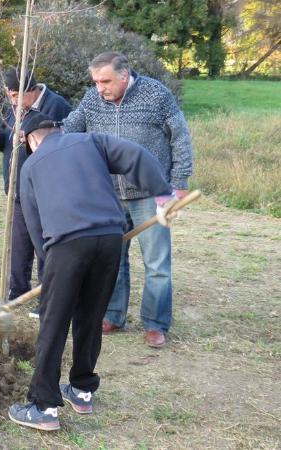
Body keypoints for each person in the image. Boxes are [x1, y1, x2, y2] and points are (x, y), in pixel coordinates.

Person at [8, 113, 177, 431]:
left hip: (67, 244)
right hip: (111, 237)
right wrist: (163, 194)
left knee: (53, 323)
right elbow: (135, 154)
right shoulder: (90, 141)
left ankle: (42, 406)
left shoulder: (30, 166)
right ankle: (82, 389)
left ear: (31, 140)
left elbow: (34, 223)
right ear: (55, 130)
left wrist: (51, 266)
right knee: (90, 316)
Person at [63, 51, 193, 348]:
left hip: (151, 194)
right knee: (112, 260)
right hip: (107, 195)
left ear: (124, 75)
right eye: (95, 81)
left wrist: (179, 182)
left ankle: (155, 324)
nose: (100, 88)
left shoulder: (156, 95)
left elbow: (180, 137)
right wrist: (36, 135)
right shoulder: (92, 100)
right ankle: (112, 315)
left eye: (105, 81)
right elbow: (70, 128)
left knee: (157, 262)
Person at [0, 68, 71, 318]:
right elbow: (12, 143)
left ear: (31, 91)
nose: (12, 101)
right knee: (20, 243)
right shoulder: (15, 108)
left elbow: (61, 144)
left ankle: (46, 297)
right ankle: (17, 291)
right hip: (18, 188)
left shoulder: (57, 107)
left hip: (45, 189)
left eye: (15, 95)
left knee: (44, 243)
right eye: (9, 95)